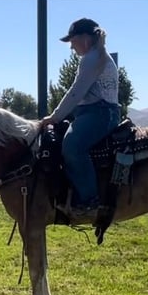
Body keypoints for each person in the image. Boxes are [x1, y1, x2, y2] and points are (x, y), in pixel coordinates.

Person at [41, 17, 120, 219]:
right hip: (103, 112)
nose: (71, 47)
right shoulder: (99, 56)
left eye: (72, 41)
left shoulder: (91, 58)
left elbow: (76, 93)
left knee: (72, 146)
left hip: (98, 113)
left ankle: (89, 200)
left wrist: (54, 117)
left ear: (85, 38)